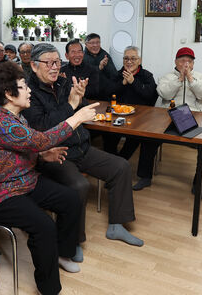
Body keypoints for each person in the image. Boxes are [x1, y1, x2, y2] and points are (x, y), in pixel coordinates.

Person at [0, 62, 99, 295]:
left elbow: (26, 147)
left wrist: (42, 156)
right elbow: (40, 140)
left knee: (70, 198)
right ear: (9, 94)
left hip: (22, 180)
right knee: (43, 226)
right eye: (23, 86)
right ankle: (49, 289)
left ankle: (62, 253)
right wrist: (76, 118)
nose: (29, 90)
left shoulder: (16, 117)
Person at [23, 43, 142, 251]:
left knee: (121, 167)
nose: (54, 67)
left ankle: (116, 225)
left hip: (81, 147)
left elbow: (83, 109)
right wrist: (70, 105)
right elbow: (42, 126)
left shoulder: (63, 83)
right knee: (79, 186)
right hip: (55, 154)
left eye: (57, 62)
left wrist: (80, 97)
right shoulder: (28, 92)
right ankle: (74, 241)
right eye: (48, 63)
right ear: (34, 66)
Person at [140, 47, 202, 200]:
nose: (186, 64)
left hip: (193, 118)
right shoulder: (167, 77)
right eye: (182, 61)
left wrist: (190, 79)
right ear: (175, 62)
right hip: (168, 116)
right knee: (148, 135)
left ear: (193, 64)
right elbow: (165, 94)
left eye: (189, 61)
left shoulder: (201, 77)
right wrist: (180, 79)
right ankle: (145, 177)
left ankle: (200, 184)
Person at [102, 46, 158, 166]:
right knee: (108, 135)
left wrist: (133, 82)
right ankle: (113, 163)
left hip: (139, 117)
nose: (129, 62)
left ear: (139, 60)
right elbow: (107, 92)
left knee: (134, 138)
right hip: (117, 115)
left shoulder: (147, 76)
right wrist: (123, 83)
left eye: (133, 58)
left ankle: (120, 162)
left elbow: (150, 95)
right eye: (126, 58)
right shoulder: (117, 75)